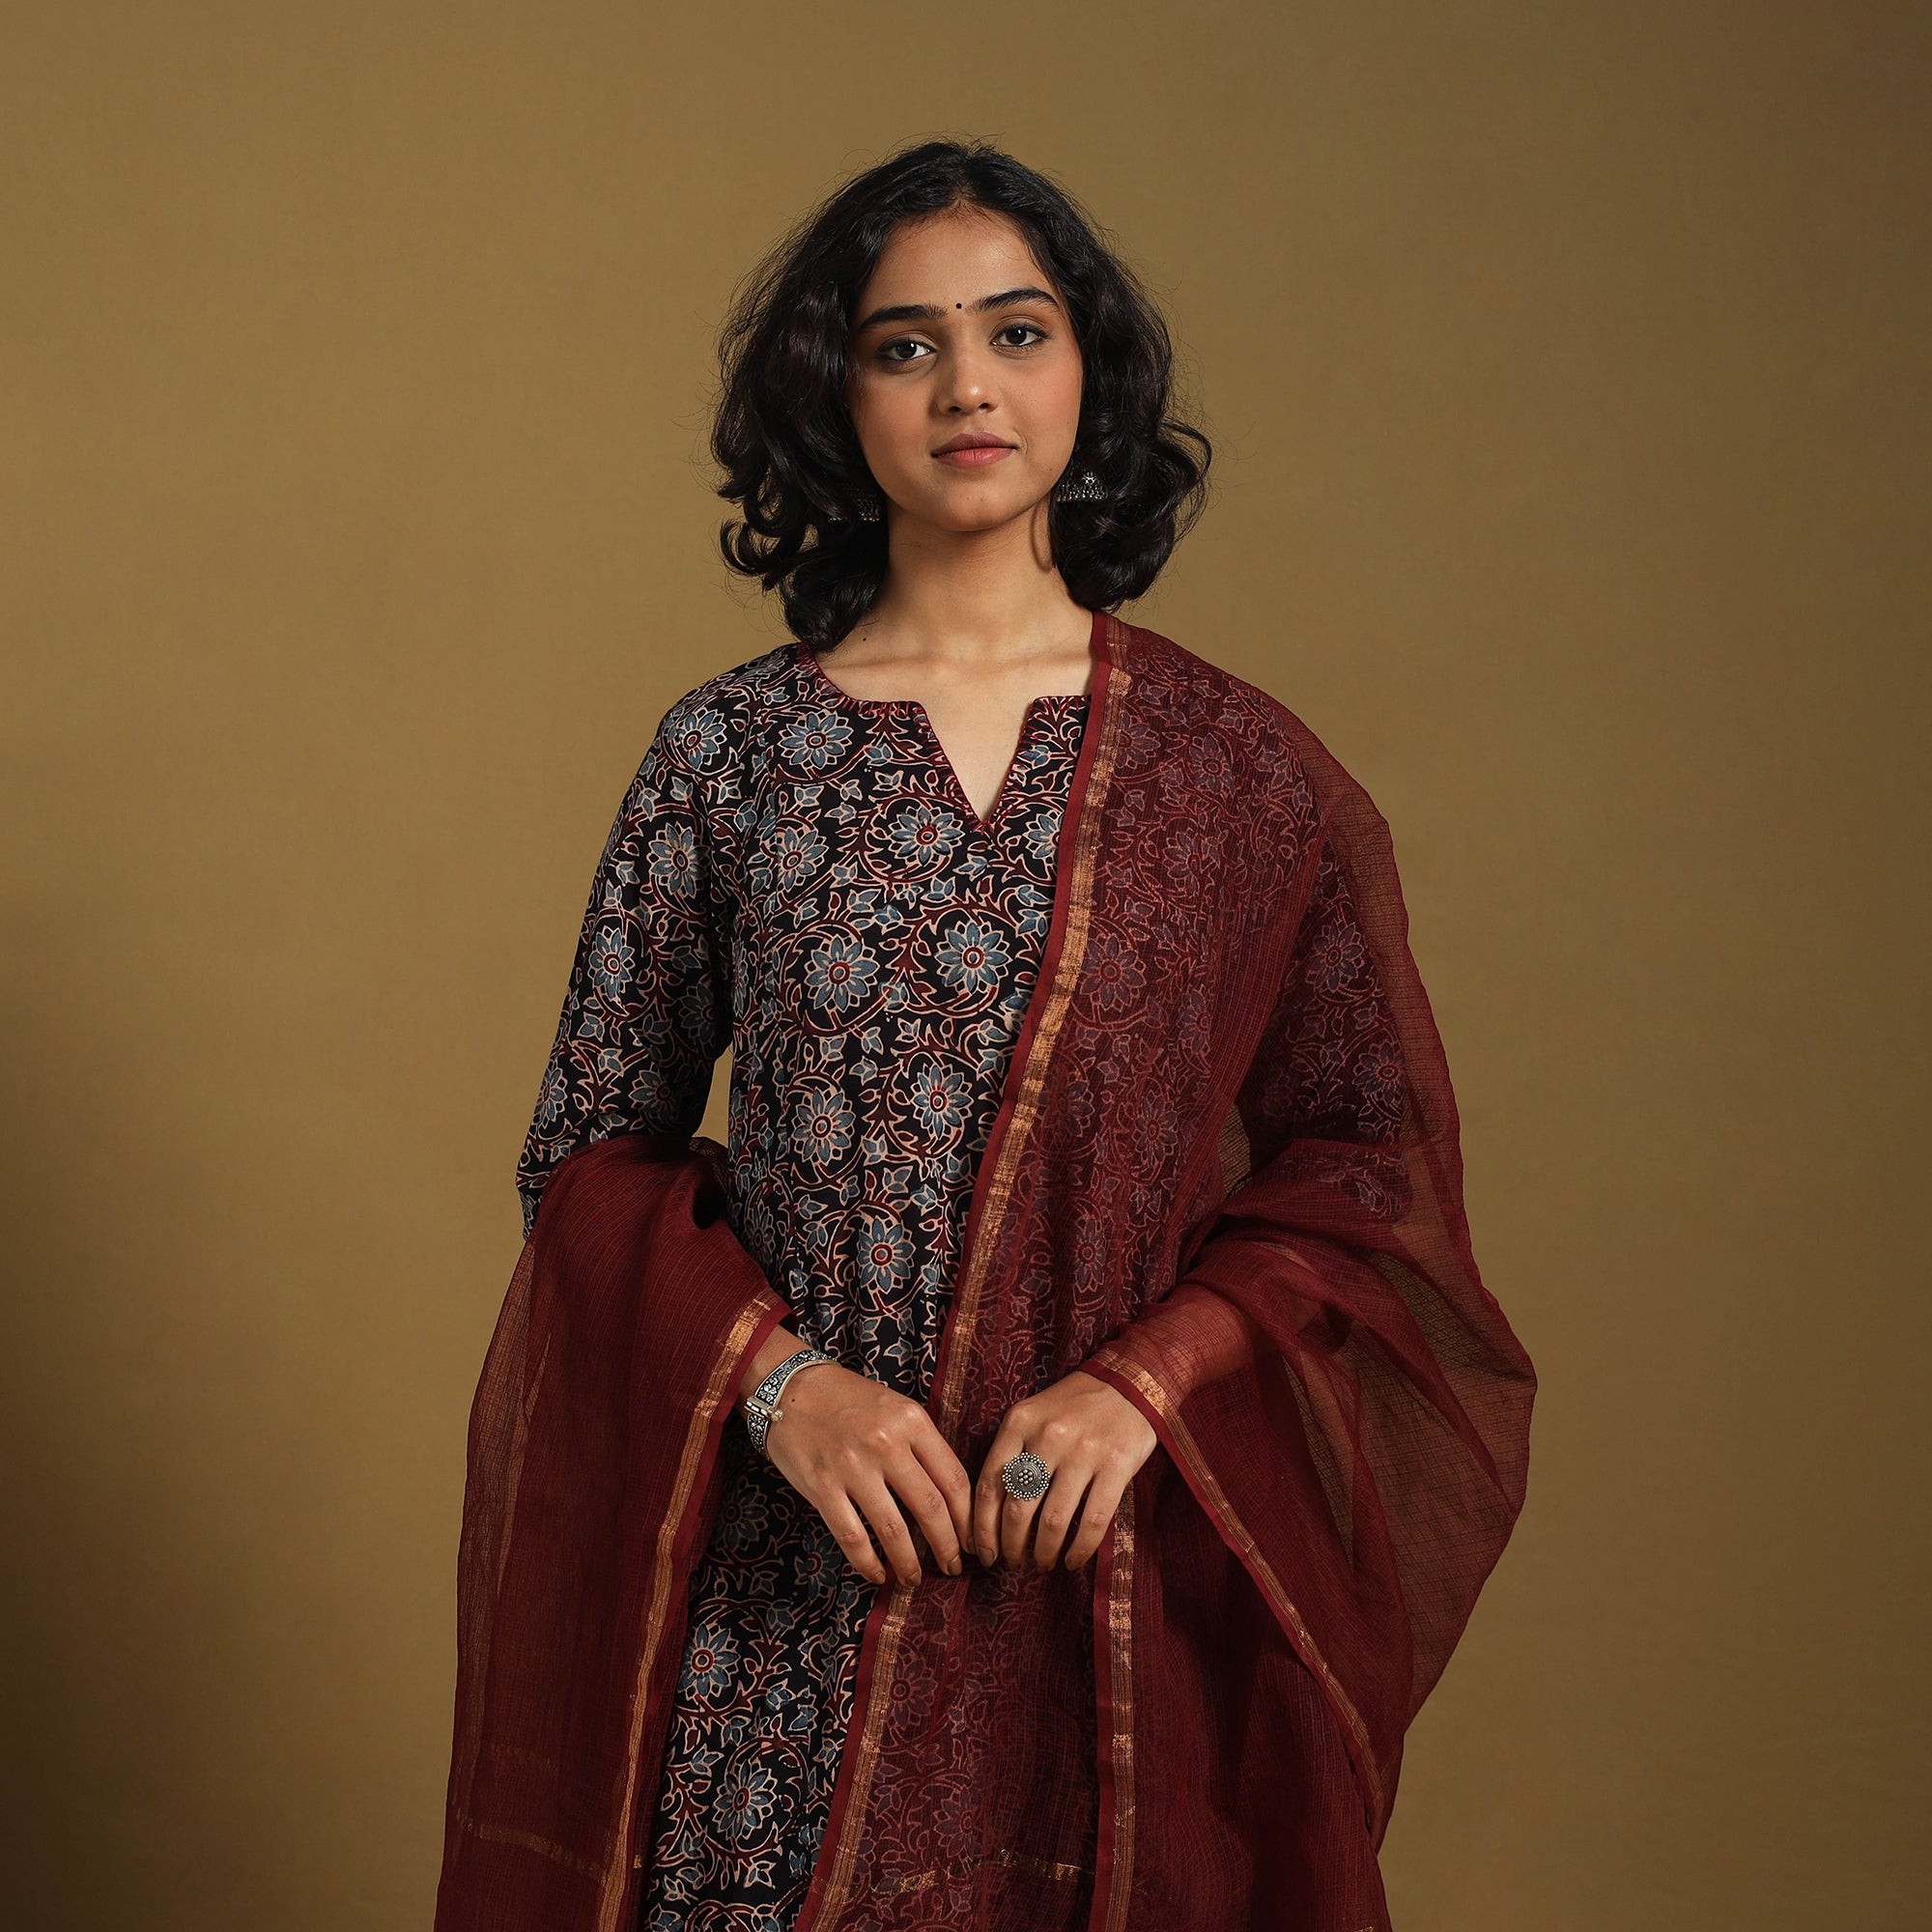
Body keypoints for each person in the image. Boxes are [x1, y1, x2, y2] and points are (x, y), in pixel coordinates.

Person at [436, 138, 1535, 1932]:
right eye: (905, 345)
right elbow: (588, 1158)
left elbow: (1364, 1162)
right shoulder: (730, 757)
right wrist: (780, 1390)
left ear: (1089, 372)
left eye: (1017, 332)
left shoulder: (1233, 772)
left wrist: (1146, 1382)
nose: (966, 386)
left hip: (1110, 1588)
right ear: (836, 397)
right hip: (796, 1593)